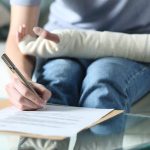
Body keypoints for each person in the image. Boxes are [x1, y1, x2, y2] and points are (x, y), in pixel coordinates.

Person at [6, 0, 150, 112]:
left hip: (133, 47)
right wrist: (22, 80)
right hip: (59, 43)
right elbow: (19, 36)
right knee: (53, 88)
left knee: (103, 91)